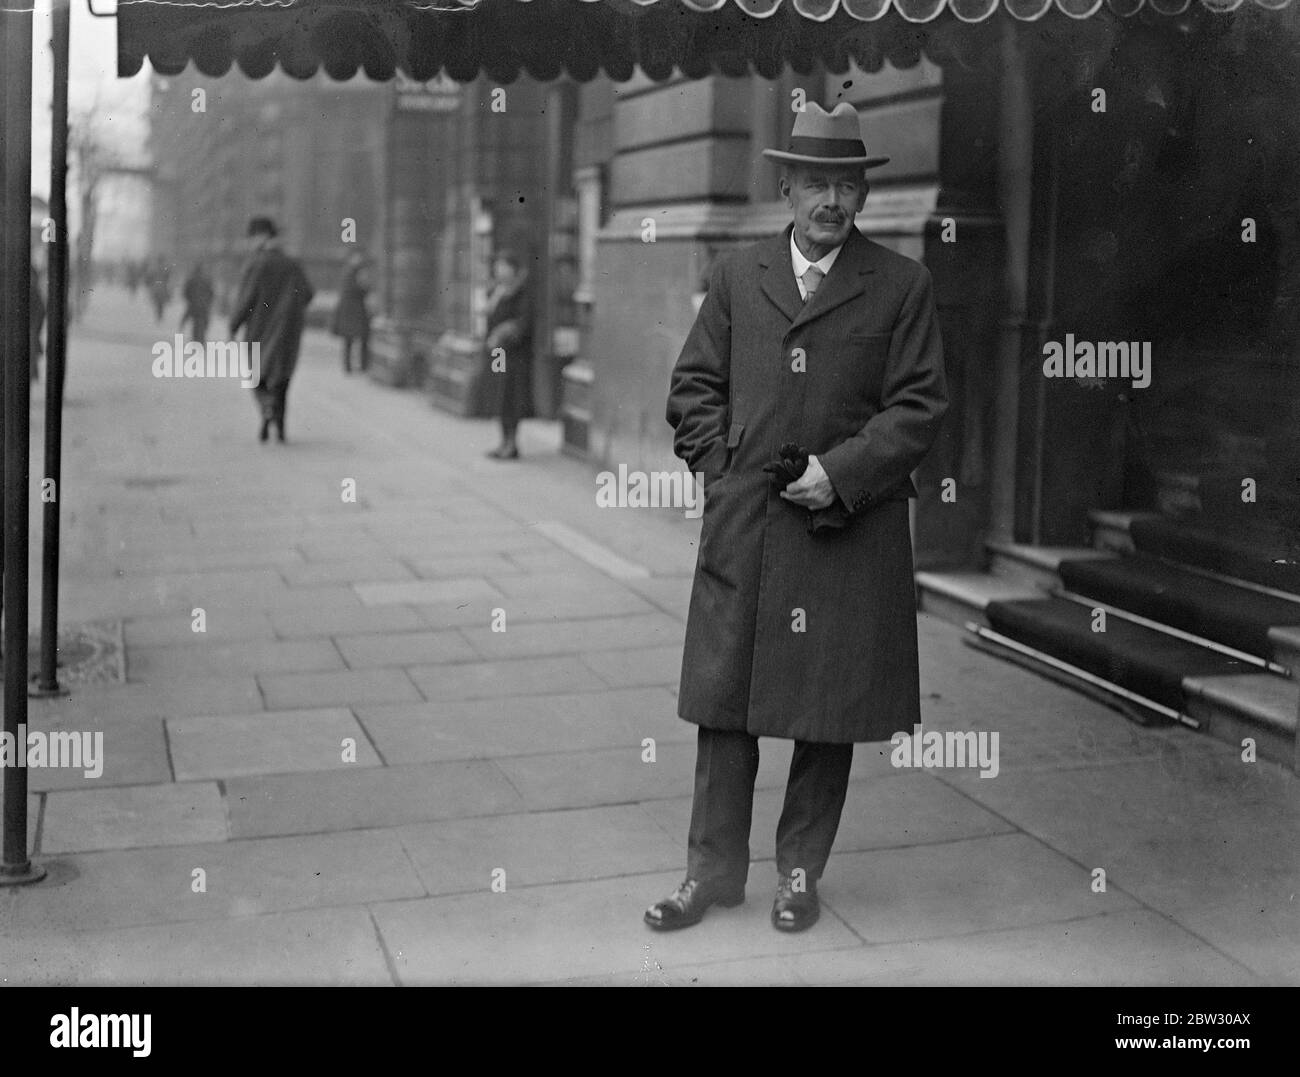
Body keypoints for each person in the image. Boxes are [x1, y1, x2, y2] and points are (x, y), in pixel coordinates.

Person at [649, 102, 949, 934]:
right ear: (785, 187)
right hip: (748, 527)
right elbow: (692, 388)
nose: (831, 201)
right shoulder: (737, 277)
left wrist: (840, 474)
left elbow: (919, 407)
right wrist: (722, 468)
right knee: (724, 705)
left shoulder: (901, 284)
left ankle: (799, 873)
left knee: (828, 713)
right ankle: (709, 873)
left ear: (860, 196)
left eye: (845, 185)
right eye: (815, 182)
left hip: (846, 531)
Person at [229, 217, 314, 444]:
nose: (250, 242)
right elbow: (308, 294)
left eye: (252, 237)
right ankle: (280, 427)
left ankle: (266, 409)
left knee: (258, 376)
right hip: (288, 330)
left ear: (262, 236)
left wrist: (233, 325)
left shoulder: (256, 263)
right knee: (282, 378)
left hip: (259, 329)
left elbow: (246, 298)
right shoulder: (292, 264)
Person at [483, 247, 535, 460]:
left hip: (514, 355)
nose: (499, 271)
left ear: (513, 270)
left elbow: (522, 324)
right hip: (498, 354)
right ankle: (503, 441)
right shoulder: (497, 291)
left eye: (503, 267)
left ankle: (512, 444)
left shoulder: (520, 293)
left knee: (511, 396)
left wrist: (502, 333)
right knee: (499, 394)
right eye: (497, 267)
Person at [330, 250, 372, 374]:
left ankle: (357, 366)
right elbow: (357, 290)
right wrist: (365, 287)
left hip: (352, 310)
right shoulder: (351, 273)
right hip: (352, 310)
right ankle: (354, 366)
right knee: (353, 339)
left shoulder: (352, 272)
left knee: (355, 339)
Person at [180, 260, 215, 343]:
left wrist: (189, 300)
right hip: (203, 305)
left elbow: (186, 291)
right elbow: (211, 292)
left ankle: (196, 339)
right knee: (203, 323)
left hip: (194, 305)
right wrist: (208, 301)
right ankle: (200, 340)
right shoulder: (206, 279)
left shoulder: (191, 279)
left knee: (196, 323)